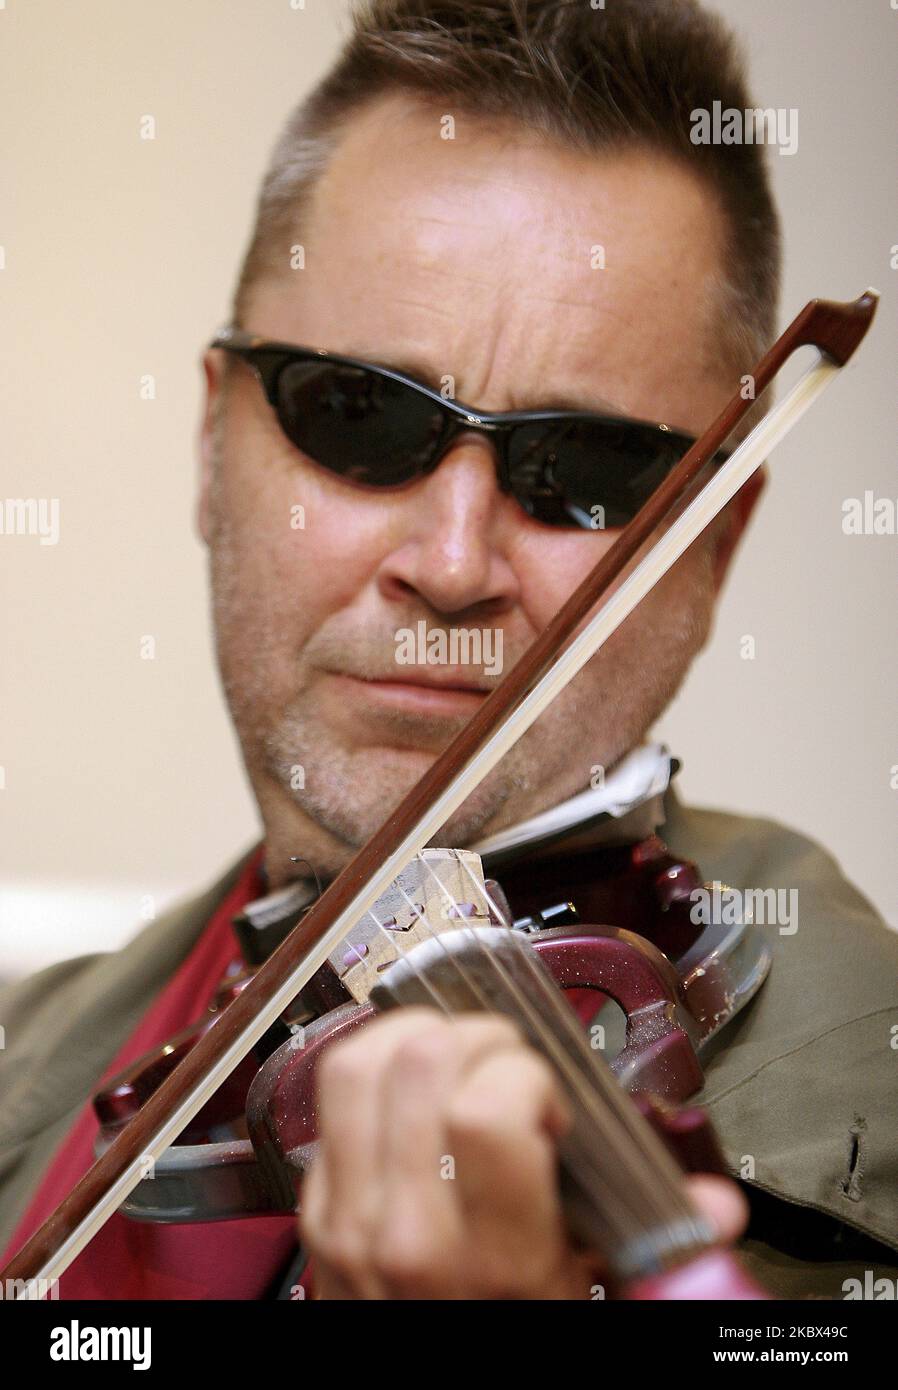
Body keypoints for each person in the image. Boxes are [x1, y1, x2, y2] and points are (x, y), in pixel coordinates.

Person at [1, 0, 896, 1300]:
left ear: (707, 547)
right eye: (358, 415)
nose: (453, 559)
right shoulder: (49, 1050)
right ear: (210, 448)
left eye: (583, 469)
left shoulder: (851, 1079)